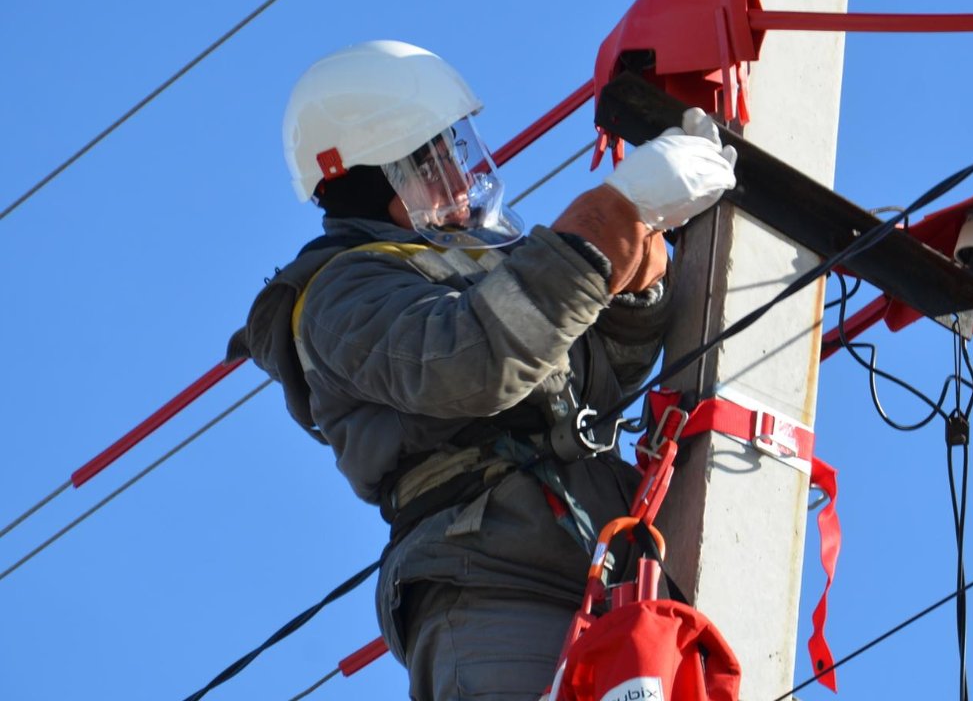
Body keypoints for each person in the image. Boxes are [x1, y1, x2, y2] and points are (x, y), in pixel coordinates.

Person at [232, 39, 737, 700]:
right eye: (425, 162)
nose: (457, 179)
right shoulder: (341, 296)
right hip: (493, 587)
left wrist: (635, 276)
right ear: (365, 180)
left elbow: (597, 377)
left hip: (606, 578)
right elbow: (473, 361)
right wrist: (609, 219)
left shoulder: (474, 264)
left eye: (454, 150)